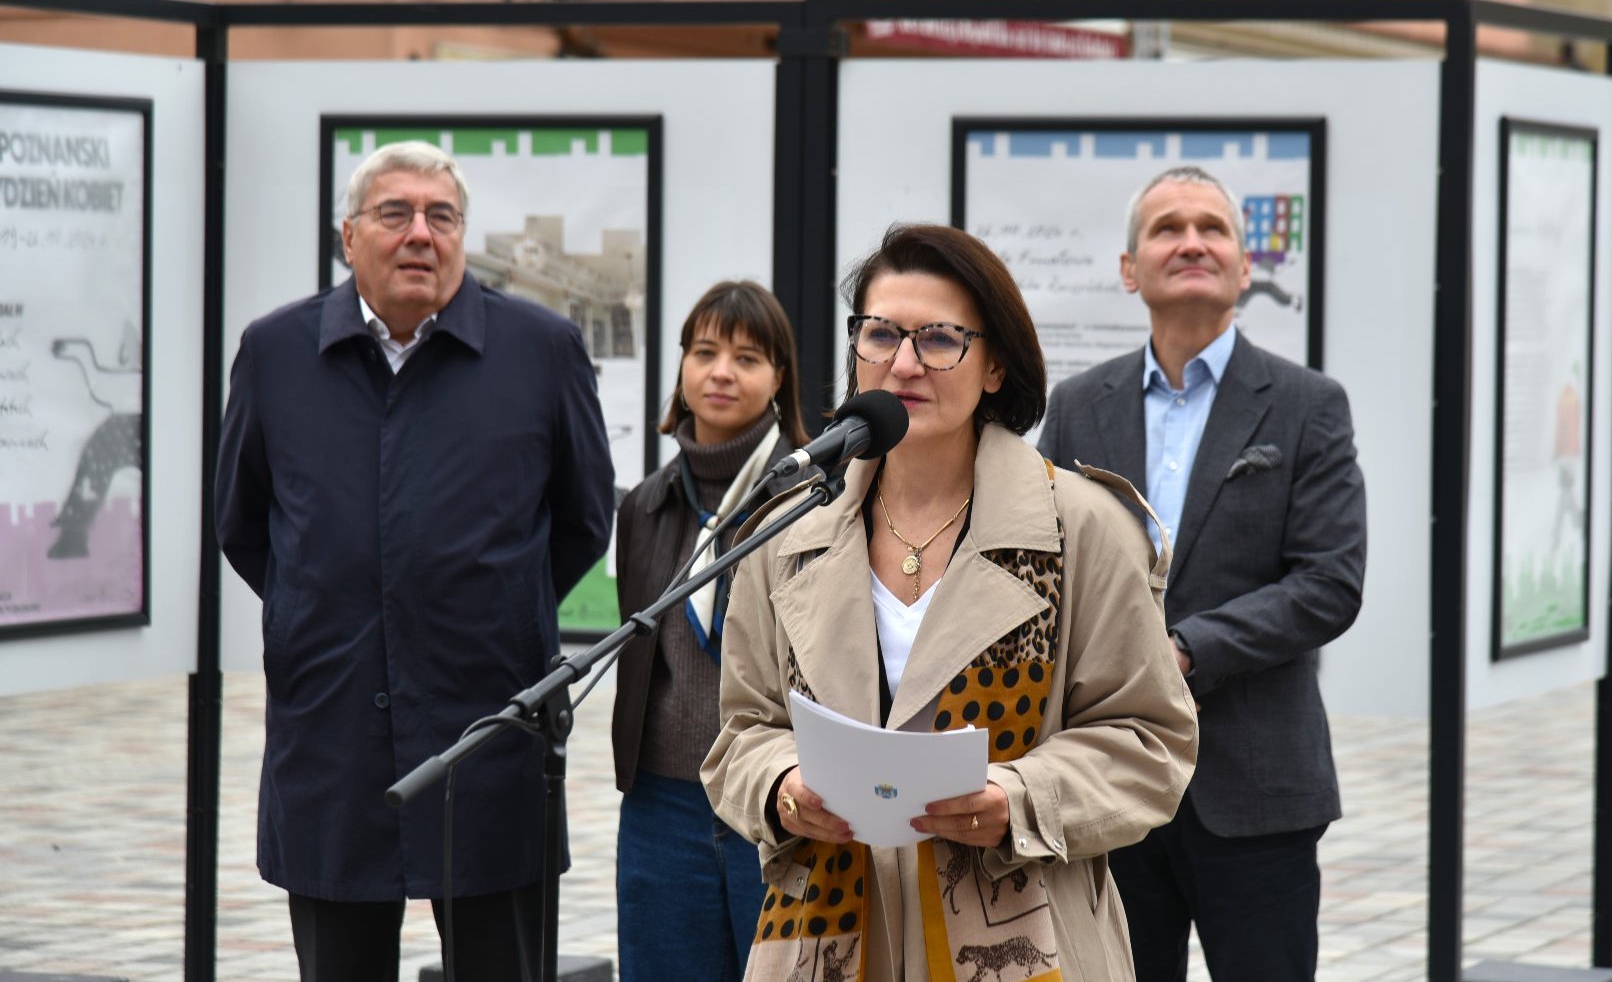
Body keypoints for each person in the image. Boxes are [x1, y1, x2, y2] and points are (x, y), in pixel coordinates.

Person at [701, 223, 1198, 982]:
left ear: (995, 363)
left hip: (1022, 936)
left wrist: (1019, 796)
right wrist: (780, 787)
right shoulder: (788, 530)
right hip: (826, 939)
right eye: (879, 334)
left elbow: (1150, 739)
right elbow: (742, 731)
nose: (903, 363)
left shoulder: (1081, 527)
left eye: (938, 339)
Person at [215, 140, 614, 982]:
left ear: (463, 236)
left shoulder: (541, 351)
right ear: (348, 235)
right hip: (333, 728)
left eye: (442, 217)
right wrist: (327, 607)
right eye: (395, 214)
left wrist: (490, 604)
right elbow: (245, 526)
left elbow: (581, 519)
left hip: (489, 723)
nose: (420, 235)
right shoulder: (276, 352)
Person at [1036, 165, 1367, 982]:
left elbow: (1329, 581)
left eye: (1213, 228)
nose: (1191, 242)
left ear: (1245, 268)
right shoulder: (1079, 405)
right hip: (1107, 776)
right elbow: (1034, 565)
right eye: (1167, 228)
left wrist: (1183, 649)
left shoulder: (1306, 403)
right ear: (1129, 268)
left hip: (1255, 786)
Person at [611, 280, 811, 981]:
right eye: (704, 352)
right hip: (662, 802)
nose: (721, 372)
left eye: (747, 357)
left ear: (779, 378)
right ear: (682, 370)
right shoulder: (643, 506)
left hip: (780, 800)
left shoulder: (815, 501)